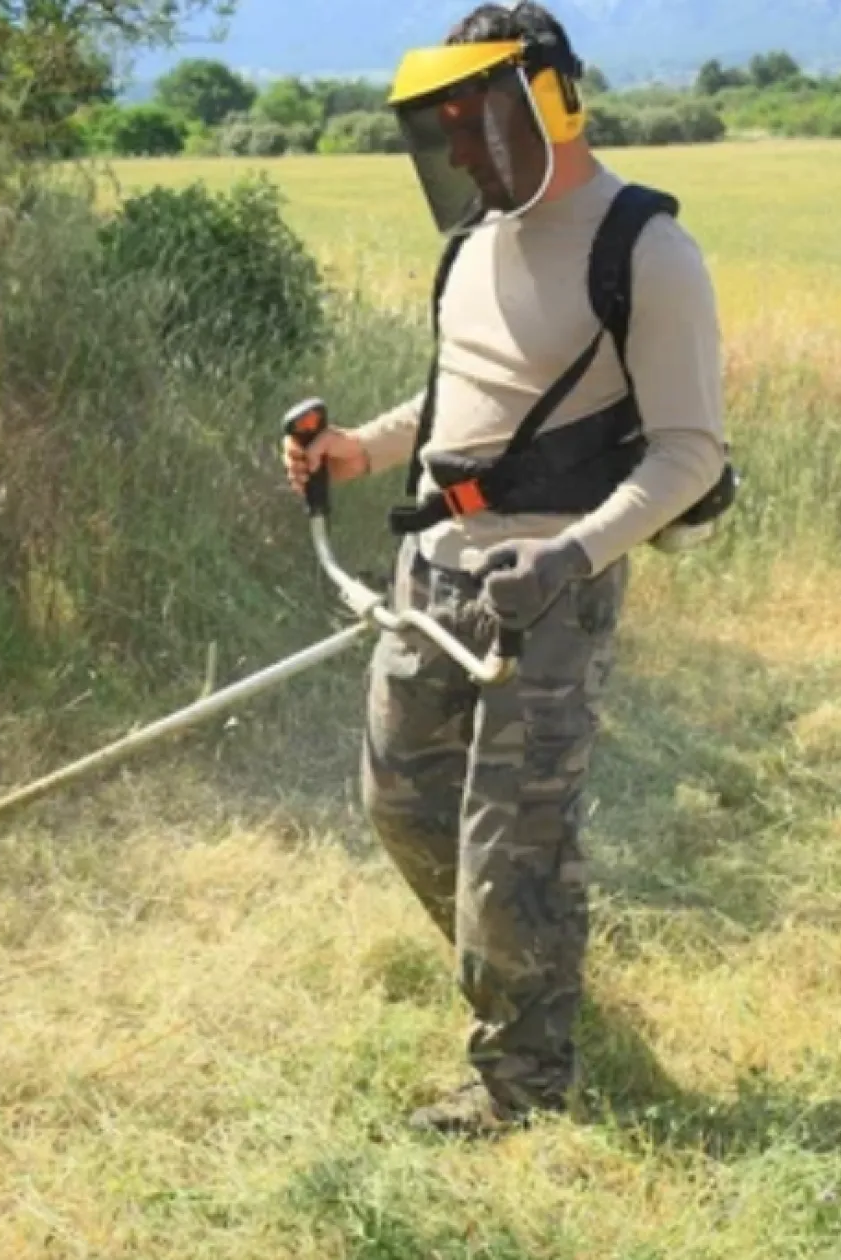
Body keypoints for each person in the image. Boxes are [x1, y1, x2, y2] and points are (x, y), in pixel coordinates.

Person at [282, 2, 728, 1137]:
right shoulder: (476, 240)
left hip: (553, 595)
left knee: (509, 846)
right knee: (401, 805)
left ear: (550, 103)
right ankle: (522, 978)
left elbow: (689, 454)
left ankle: (524, 1087)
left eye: (475, 122)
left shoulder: (647, 250)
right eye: (444, 130)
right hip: (432, 569)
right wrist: (357, 450)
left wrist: (571, 553)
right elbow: (456, 404)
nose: (462, 152)